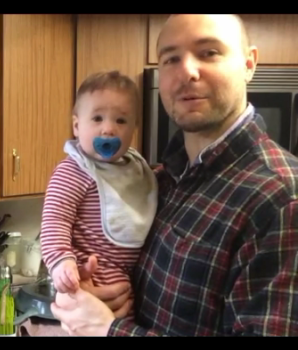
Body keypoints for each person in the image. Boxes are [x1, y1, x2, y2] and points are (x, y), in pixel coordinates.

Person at [50, 14, 298, 336]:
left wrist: (109, 330)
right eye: (171, 58)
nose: (187, 72)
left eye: (209, 52)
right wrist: (85, 287)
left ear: (249, 63)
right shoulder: (161, 179)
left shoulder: (282, 199)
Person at [39, 70, 158, 317]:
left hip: (131, 281)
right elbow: (55, 220)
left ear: (134, 128)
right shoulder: (74, 171)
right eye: (97, 118)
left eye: (121, 121)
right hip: (91, 274)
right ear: (76, 125)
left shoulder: (136, 168)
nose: (108, 129)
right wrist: (62, 261)